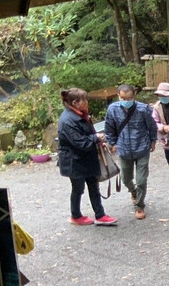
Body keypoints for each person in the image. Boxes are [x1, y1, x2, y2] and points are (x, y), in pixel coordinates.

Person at [56, 88, 117, 226]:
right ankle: (76, 216)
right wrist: (95, 138)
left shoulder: (80, 115)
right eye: (84, 100)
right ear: (75, 102)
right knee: (78, 189)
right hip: (74, 160)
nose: (87, 102)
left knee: (93, 186)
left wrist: (96, 140)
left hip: (85, 158)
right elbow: (79, 142)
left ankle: (100, 215)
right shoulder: (68, 120)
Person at [104, 83, 158, 220]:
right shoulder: (112, 109)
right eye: (123, 98)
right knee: (125, 178)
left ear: (134, 96)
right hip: (123, 149)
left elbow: (152, 126)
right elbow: (109, 128)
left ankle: (139, 206)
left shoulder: (143, 109)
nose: (126, 101)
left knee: (141, 180)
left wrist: (153, 141)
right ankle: (133, 191)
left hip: (142, 147)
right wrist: (112, 143)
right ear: (118, 96)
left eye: (129, 98)